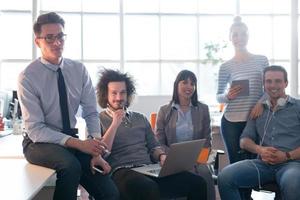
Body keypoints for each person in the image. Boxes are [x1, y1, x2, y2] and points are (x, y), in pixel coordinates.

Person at [17, 12, 119, 200]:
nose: (57, 43)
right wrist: (80, 144)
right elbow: (36, 129)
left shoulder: (78, 70)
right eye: (49, 38)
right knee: (70, 166)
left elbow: (90, 111)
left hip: (70, 140)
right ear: (37, 41)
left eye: (60, 36)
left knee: (110, 193)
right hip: (37, 143)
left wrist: (95, 147)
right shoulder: (28, 76)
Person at [96, 69, 207, 200]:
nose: (119, 98)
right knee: (148, 188)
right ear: (106, 95)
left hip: (148, 168)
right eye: (114, 93)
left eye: (123, 92)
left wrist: (162, 156)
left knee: (198, 183)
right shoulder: (98, 120)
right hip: (121, 171)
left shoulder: (140, 118)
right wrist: (115, 124)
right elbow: (101, 153)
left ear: (128, 94)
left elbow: (154, 146)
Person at [218, 65, 300, 200]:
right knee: (225, 177)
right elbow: (244, 141)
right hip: (262, 165)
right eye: (268, 81)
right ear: (263, 84)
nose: (273, 85)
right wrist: (260, 149)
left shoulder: (297, 107)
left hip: (291, 164)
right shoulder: (258, 110)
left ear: (286, 83)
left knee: (292, 183)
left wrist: (286, 156)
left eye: (278, 81)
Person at [216, 16, 269, 164]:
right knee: (236, 165)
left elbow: (269, 89)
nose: (240, 38)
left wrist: (260, 103)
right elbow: (218, 96)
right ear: (230, 38)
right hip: (231, 121)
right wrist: (227, 96)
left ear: (248, 36)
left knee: (253, 164)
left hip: (255, 119)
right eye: (235, 34)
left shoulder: (261, 60)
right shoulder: (225, 66)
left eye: (243, 34)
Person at [155, 70, 215, 200]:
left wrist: (199, 160)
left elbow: (207, 139)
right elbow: (158, 142)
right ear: (177, 84)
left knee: (204, 173)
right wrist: (173, 158)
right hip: (172, 158)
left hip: (198, 158)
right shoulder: (164, 110)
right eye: (185, 82)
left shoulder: (203, 109)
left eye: (192, 83)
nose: (189, 87)